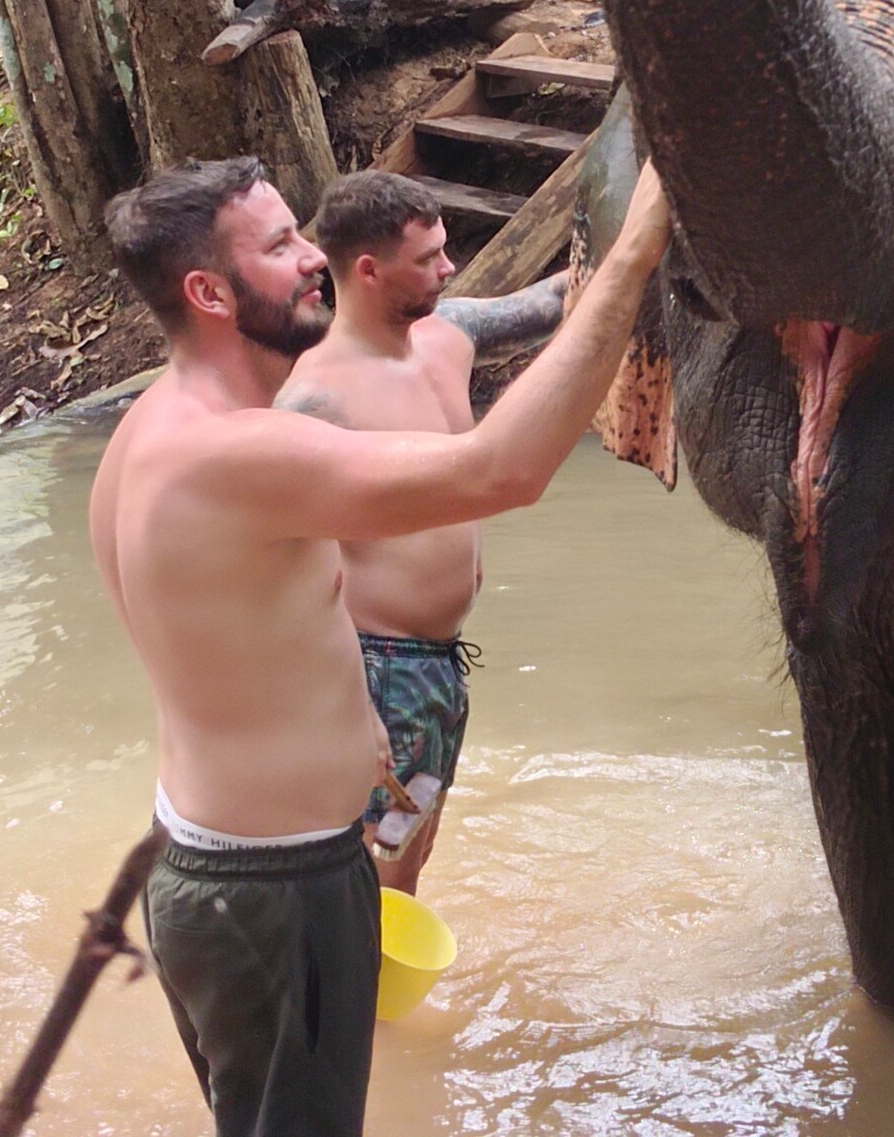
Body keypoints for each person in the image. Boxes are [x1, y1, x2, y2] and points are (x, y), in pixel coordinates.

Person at [89, 154, 670, 1137]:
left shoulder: (159, 426)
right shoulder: (233, 454)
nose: (317, 256)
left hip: (227, 871)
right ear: (207, 291)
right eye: (280, 246)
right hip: (275, 889)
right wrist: (639, 249)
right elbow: (503, 469)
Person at [274, 172, 567, 897]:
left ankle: (384, 1001)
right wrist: (341, 699)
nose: (449, 267)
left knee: (415, 846)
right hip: (374, 669)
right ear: (368, 271)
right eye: (429, 257)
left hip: (438, 665)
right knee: (373, 863)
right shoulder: (313, 401)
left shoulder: (452, 334)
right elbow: (278, 576)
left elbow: (560, 301)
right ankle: (357, 1002)